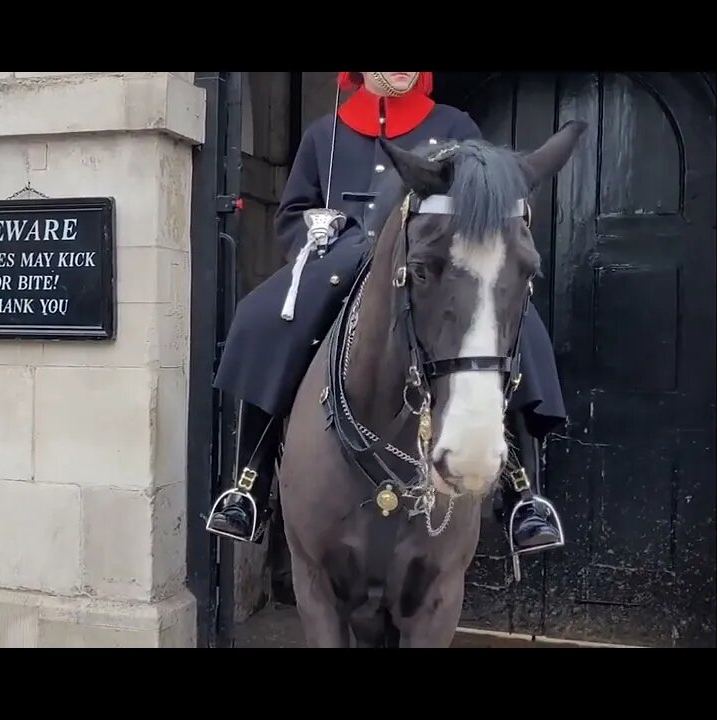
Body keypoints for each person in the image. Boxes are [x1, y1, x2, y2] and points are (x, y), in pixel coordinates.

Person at [206, 72, 567, 555]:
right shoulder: (324, 134)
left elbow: (488, 197)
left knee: (520, 329)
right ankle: (249, 482)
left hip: (429, 264)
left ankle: (523, 494)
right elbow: (292, 213)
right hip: (343, 256)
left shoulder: (454, 124)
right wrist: (318, 225)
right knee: (265, 317)